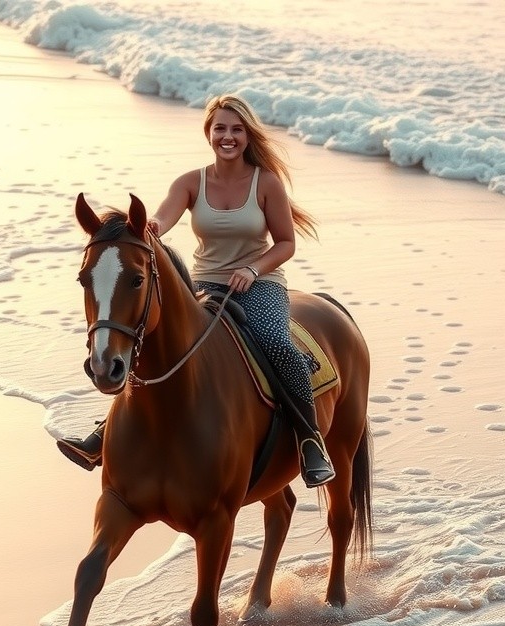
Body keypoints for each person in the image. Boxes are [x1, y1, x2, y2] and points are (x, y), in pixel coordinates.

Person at [58, 94, 335, 487]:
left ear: (247, 135)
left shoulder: (266, 183)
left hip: (259, 284)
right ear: (209, 133)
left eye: (236, 129)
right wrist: (152, 226)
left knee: (277, 343)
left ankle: (310, 440)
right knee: (149, 343)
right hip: (203, 283)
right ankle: (105, 432)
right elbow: (162, 217)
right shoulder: (190, 182)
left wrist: (253, 269)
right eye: (220, 128)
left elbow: (286, 243)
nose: (228, 136)